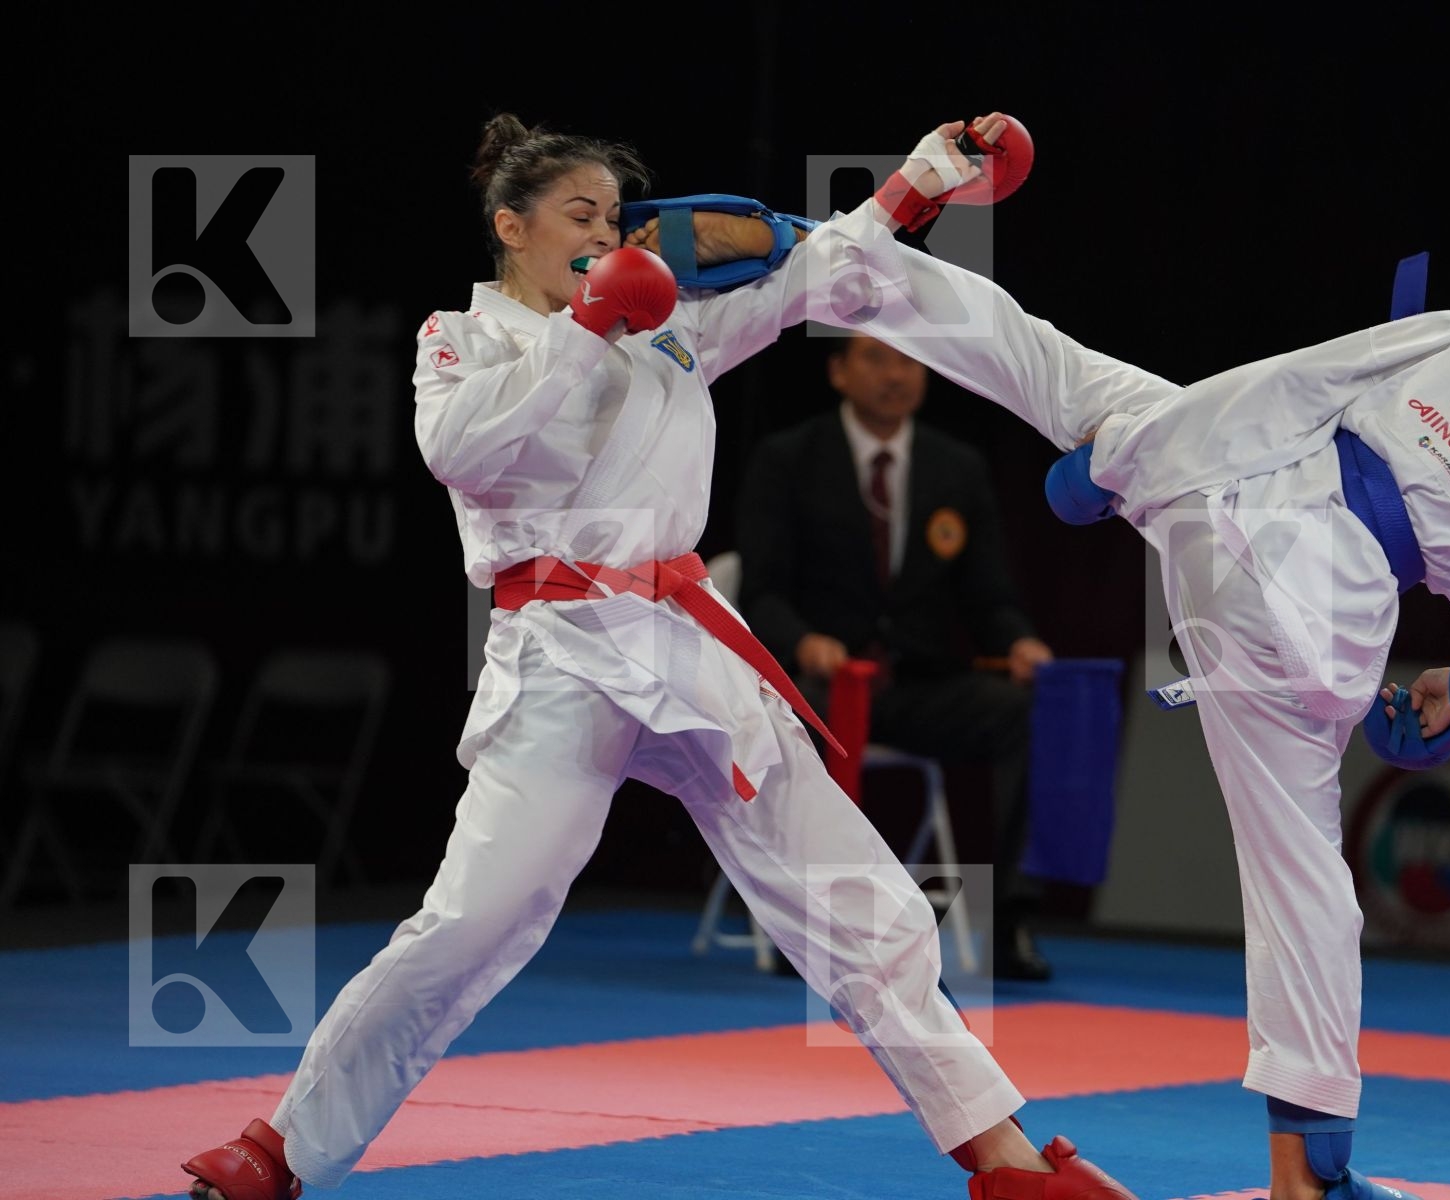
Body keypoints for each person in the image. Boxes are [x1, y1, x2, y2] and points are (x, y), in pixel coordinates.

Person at [778, 143, 1450, 1200]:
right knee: (1305, 881)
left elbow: (1301, 381)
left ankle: (832, 255)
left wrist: (1118, 466)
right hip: (1321, 622)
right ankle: (1309, 1167)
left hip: (1245, 494)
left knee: (1053, 368)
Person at [177, 113, 1140, 1200]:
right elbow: (463, 452)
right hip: (559, 659)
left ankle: (1006, 1163)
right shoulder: (463, 338)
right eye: (579, 215)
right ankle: (280, 1150)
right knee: (473, 924)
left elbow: (811, 278)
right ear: (511, 225)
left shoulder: (667, 325)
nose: (604, 234)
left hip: (688, 647)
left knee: (862, 900)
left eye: (614, 218)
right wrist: (587, 329)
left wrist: (918, 186)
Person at [736, 332, 1058, 981]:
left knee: (1024, 712)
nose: (896, 374)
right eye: (877, 358)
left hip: (920, 686)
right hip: (826, 686)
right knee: (797, 718)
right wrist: (804, 642)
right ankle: (810, 921)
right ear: (838, 371)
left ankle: (1010, 921)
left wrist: (1018, 642)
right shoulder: (788, 458)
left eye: (909, 359)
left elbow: (988, 595)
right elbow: (760, 592)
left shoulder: (956, 467)